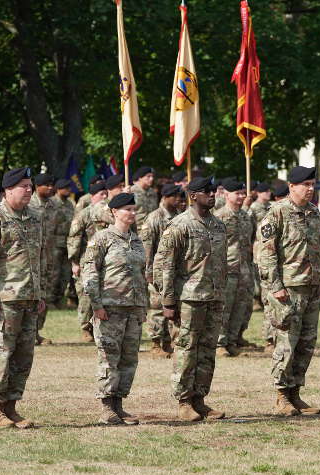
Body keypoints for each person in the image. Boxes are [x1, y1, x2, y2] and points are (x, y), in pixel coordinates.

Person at [0, 167, 46, 429]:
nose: (29, 190)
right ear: (8, 190)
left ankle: (11, 407)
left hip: (28, 298)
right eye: (24, 186)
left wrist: (40, 293)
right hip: (2, 301)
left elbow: (39, 258)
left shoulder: (35, 217)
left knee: (23, 357)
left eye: (30, 185)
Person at [153, 177, 228, 422]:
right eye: (206, 191)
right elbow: (164, 265)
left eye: (213, 190)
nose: (212, 194)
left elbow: (221, 264)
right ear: (193, 196)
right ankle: (184, 400)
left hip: (213, 297)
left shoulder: (217, 225)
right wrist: (167, 301)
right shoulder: (180, 225)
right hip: (189, 299)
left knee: (207, 350)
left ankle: (200, 399)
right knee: (186, 349)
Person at [258, 167, 320, 417]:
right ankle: (281, 395)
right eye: (305, 184)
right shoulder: (277, 213)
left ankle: (296, 392)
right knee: (286, 342)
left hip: (310, 286)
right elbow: (266, 254)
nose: (310, 188)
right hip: (288, 289)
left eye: (312, 184)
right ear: (292, 187)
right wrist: (275, 287)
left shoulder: (314, 212)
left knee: (306, 344)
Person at [81, 193, 146, 425]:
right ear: (114, 212)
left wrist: (142, 307)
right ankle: (106, 406)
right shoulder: (102, 239)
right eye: (127, 209)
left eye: (133, 209)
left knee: (129, 359)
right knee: (109, 357)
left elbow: (141, 275)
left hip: (133, 308)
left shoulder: (136, 240)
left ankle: (119, 403)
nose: (132, 213)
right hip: (110, 308)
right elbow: (89, 273)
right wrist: (96, 306)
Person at [139, 183, 183, 358]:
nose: (180, 199)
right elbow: (147, 249)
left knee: (174, 306)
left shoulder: (180, 217)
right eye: (176, 196)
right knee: (158, 307)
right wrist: (149, 273)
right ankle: (156, 343)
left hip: (176, 271)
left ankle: (171, 342)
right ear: (165, 197)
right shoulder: (153, 219)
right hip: (158, 271)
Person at [214, 179, 256, 357]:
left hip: (244, 269)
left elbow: (251, 240)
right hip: (227, 269)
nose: (241, 196)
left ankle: (232, 340)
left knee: (241, 307)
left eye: (242, 193)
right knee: (224, 307)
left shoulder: (246, 216)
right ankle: (219, 343)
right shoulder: (219, 217)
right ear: (225, 195)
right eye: (237, 193)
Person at [68, 181, 112, 341]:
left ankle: (102, 327)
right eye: (101, 194)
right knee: (86, 295)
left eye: (106, 194)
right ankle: (86, 327)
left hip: (107, 261)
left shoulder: (110, 213)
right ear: (92, 196)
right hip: (87, 261)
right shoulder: (84, 214)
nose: (104, 197)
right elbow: (74, 238)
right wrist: (74, 263)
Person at [27, 173, 62, 345]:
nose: (50, 187)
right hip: (31, 258)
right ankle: (28, 333)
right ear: (37, 186)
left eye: (51, 184)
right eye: (46, 185)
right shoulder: (29, 204)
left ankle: (36, 331)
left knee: (44, 295)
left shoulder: (54, 205)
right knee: (32, 294)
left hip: (48, 257)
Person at [261, 183, 289, 354]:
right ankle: (270, 340)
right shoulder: (273, 213)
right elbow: (267, 249)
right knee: (271, 306)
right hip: (270, 270)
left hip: (287, 273)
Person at [51, 178, 76, 308]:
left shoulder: (70, 204)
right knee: (54, 273)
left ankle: (60, 299)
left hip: (68, 243)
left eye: (69, 188)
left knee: (66, 273)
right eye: (66, 188)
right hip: (55, 243)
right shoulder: (52, 203)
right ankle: (50, 300)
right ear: (59, 189)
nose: (68, 190)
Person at [249, 182, 272, 311]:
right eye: (265, 191)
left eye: (269, 191)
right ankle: (256, 299)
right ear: (258, 193)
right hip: (258, 243)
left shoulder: (271, 206)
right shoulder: (253, 208)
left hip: (270, 243)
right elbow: (250, 226)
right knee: (257, 272)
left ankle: (266, 298)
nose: (268, 193)